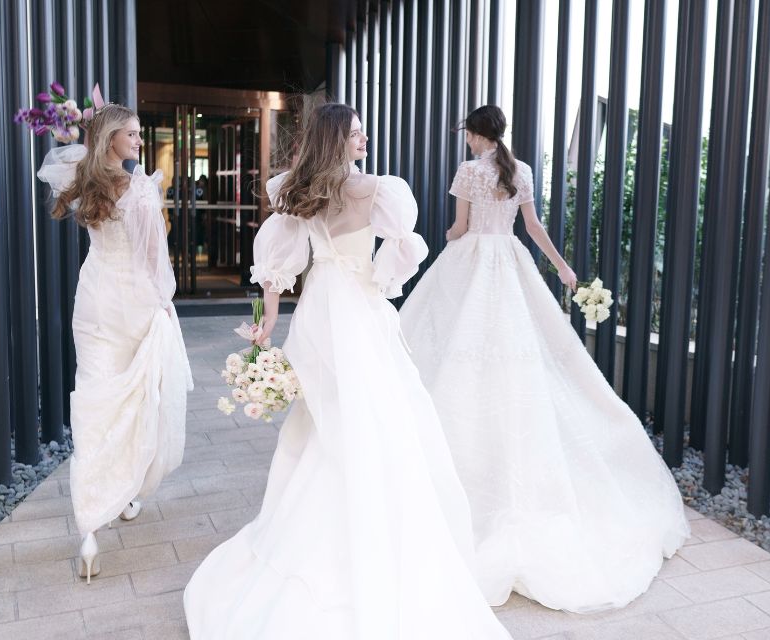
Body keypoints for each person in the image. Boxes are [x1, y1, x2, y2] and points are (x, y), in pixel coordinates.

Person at [183, 104, 510, 639]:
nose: (364, 137)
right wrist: (376, 281)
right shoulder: (378, 191)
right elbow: (401, 250)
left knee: (327, 422)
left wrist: (267, 325)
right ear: (336, 139)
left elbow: (276, 265)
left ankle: (322, 527)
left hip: (320, 311)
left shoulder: (298, 189)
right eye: (356, 131)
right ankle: (365, 531)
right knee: (374, 421)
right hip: (357, 309)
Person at [399, 105, 690, 613]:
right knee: (521, 352)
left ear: (476, 133)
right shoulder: (523, 170)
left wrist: (435, 244)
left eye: (466, 133)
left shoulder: (469, 170)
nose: (465, 140)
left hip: (472, 262)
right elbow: (532, 227)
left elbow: (459, 229)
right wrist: (563, 269)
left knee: (455, 345)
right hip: (510, 263)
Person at [37, 104, 193, 584]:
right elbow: (154, 262)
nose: (140, 142)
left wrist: (89, 131)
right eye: (132, 134)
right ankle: (126, 490)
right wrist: (165, 304)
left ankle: (89, 531)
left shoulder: (81, 180)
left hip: (94, 301)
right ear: (110, 141)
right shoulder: (140, 190)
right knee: (138, 398)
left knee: (95, 400)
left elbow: (55, 164)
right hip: (134, 302)